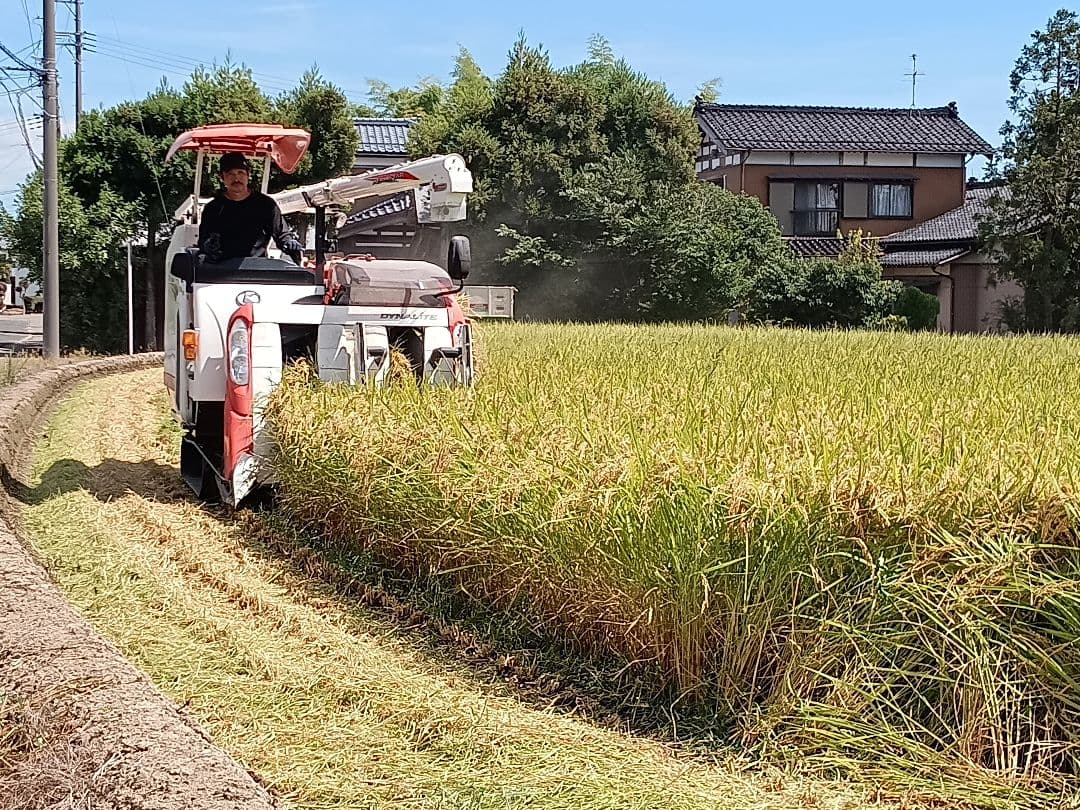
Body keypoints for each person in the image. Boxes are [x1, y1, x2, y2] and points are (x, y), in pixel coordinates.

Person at [197, 152, 304, 264]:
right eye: (230, 174)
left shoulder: (266, 205)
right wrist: (208, 246)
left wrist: (289, 243)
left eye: (241, 172)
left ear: (248, 175)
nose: (236, 178)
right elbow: (203, 241)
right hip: (221, 271)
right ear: (222, 177)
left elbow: (281, 234)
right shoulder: (213, 209)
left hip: (256, 271)